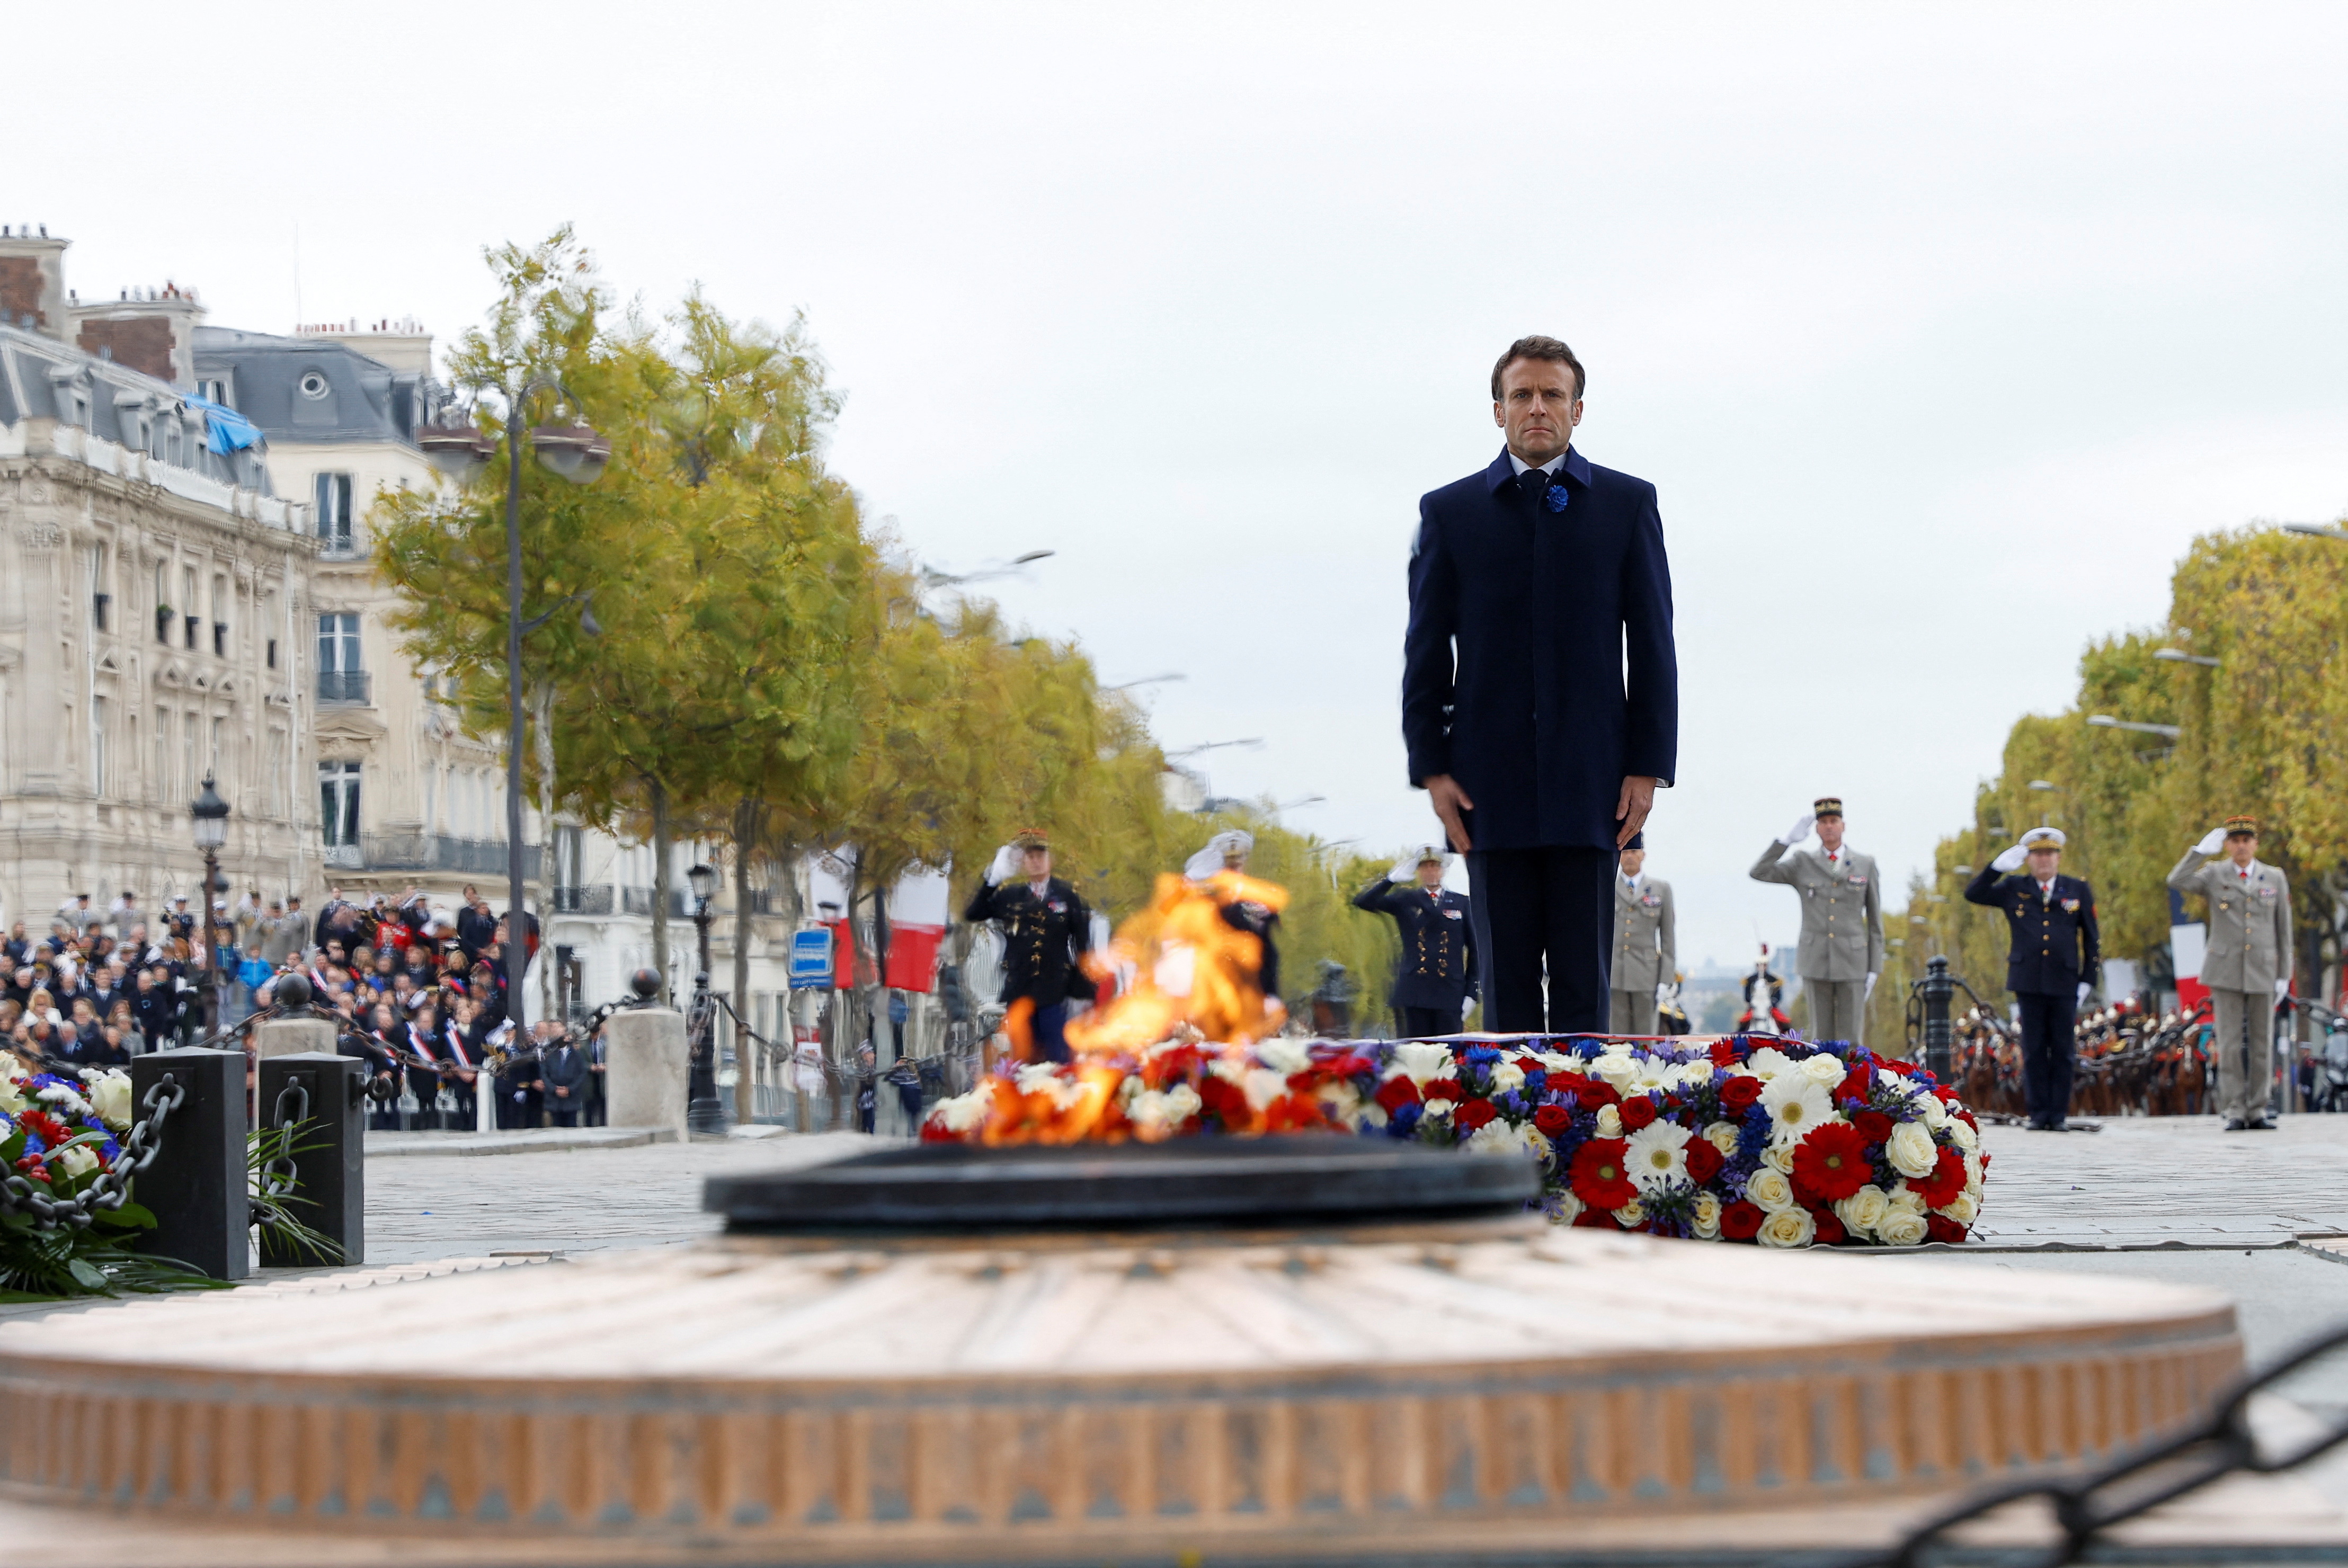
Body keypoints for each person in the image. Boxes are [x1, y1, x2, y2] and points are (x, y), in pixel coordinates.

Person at [1401, 335, 1677, 1034]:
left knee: (1587, 994)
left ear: (1577, 410)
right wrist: (1431, 767)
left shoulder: (1626, 504)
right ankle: (1512, 1142)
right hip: (1485, 785)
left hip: (1594, 781)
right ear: (1498, 411)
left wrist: (1648, 766)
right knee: (1509, 994)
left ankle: (1589, 1135)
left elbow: (1651, 645)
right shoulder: (1450, 512)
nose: (1537, 408)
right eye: (1521, 395)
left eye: (1552, 394)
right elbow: (1427, 651)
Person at [1965, 826, 2101, 1131]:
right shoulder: (2014, 887)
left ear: (2058, 857)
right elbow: (1973, 894)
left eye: (2049, 854)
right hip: (2029, 980)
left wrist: (2087, 979)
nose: (2044, 861)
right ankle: (2039, 1114)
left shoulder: (2076, 889)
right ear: (2028, 859)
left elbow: (2092, 937)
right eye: (2037, 855)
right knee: (2035, 1049)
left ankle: (2059, 1115)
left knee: (2064, 1050)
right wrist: (1995, 869)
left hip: (2066, 981)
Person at [2167, 816, 2293, 1132]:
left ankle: (2259, 1108)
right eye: (2234, 840)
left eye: (2246, 840)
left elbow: (2284, 929)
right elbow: (2176, 880)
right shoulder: (2214, 873)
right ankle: (2235, 1108)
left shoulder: (2274, 877)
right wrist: (2199, 852)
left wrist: (2284, 974)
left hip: (2263, 969)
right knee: (2231, 1044)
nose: (2240, 846)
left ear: (2255, 844)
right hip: (2225, 970)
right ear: (2227, 845)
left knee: (2263, 1043)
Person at [1749, 797, 1883, 1046]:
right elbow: (1759, 872)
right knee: (1819, 1038)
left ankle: (1852, 1085)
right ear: (1816, 828)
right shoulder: (1803, 863)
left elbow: (1875, 922)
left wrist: (1875, 966)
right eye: (1823, 822)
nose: (1829, 827)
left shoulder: (1865, 864)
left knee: (1852, 1038)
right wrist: (1785, 842)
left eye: (1834, 821)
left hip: (1853, 961)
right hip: (1815, 959)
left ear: (1843, 825)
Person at [962, 828, 1094, 1063]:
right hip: (1020, 989)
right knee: (1023, 1059)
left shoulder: (1067, 896)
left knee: (1057, 1059)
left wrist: (1084, 992)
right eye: (1030, 857)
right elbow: (974, 913)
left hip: (1055, 991)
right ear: (1023, 862)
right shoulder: (1011, 896)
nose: (1035, 861)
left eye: (1040, 856)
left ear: (1050, 860)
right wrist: (993, 880)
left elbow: (1083, 945)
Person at [1351, 846, 1476, 1038]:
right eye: (1425, 867)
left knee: (1449, 1055)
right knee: (1414, 1053)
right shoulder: (1406, 899)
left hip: (1450, 991)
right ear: (1418, 871)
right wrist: (1390, 880)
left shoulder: (1461, 903)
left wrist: (1472, 993)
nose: (1431, 872)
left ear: (1443, 870)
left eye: (1435, 866)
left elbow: (1475, 952)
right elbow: (1364, 902)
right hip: (1415, 991)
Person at [1187, 829, 1284, 1012]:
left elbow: (1268, 949)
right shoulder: (1209, 894)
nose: (1235, 867)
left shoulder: (1257, 897)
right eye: (1229, 863)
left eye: (1238, 862)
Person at [1609, 846, 1677, 1037]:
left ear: (1643, 855)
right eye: (1625, 852)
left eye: (1634, 851)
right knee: (1615, 1038)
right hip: (1614, 971)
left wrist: (1666, 979)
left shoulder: (1660, 889)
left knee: (1646, 1037)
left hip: (1646, 974)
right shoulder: (1607, 886)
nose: (1630, 857)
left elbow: (1668, 937)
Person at [542, 1024, 589, 1128]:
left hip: (571, 1099)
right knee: (556, 1128)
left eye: (562, 1035)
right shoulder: (549, 1054)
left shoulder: (577, 1055)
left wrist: (569, 1089)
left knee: (571, 1128)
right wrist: (555, 1089)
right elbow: (544, 1074)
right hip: (555, 1100)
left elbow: (582, 1073)